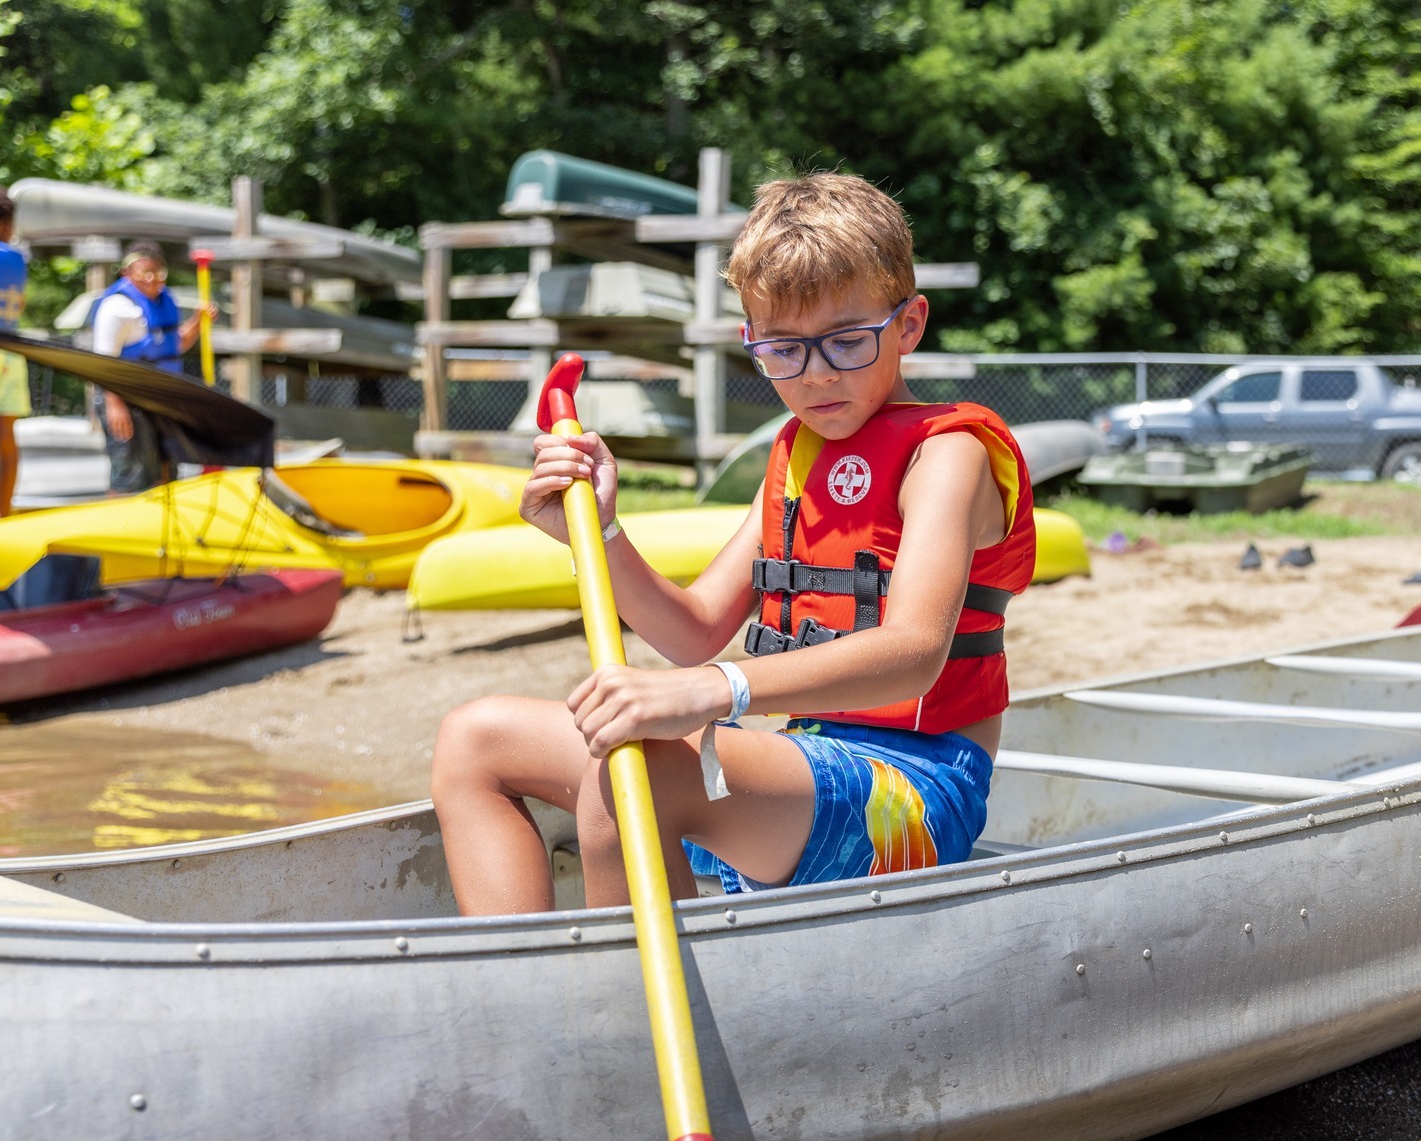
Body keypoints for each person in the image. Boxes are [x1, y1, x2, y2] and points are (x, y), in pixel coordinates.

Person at [431, 172, 1036, 915]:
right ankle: (520, 977)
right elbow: (692, 632)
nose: (816, 376)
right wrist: (598, 533)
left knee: (636, 769)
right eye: (783, 350)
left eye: (847, 342)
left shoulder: (948, 455)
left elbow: (914, 653)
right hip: (797, 764)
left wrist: (716, 689)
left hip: (912, 796)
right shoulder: (798, 454)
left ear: (908, 325)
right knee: (474, 739)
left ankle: (628, 989)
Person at [84, 240, 210, 493]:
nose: (151, 279)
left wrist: (198, 321)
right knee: (130, 476)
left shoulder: (165, 301)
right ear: (127, 272)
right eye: (144, 272)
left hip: (160, 397)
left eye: (157, 272)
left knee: (165, 471)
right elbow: (103, 362)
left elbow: (174, 345)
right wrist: (115, 405)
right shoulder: (117, 307)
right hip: (124, 397)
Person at [0, 188, 28, 515]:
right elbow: (20, 304)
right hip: (9, 350)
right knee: (6, 438)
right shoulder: (18, 260)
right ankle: (3, 515)